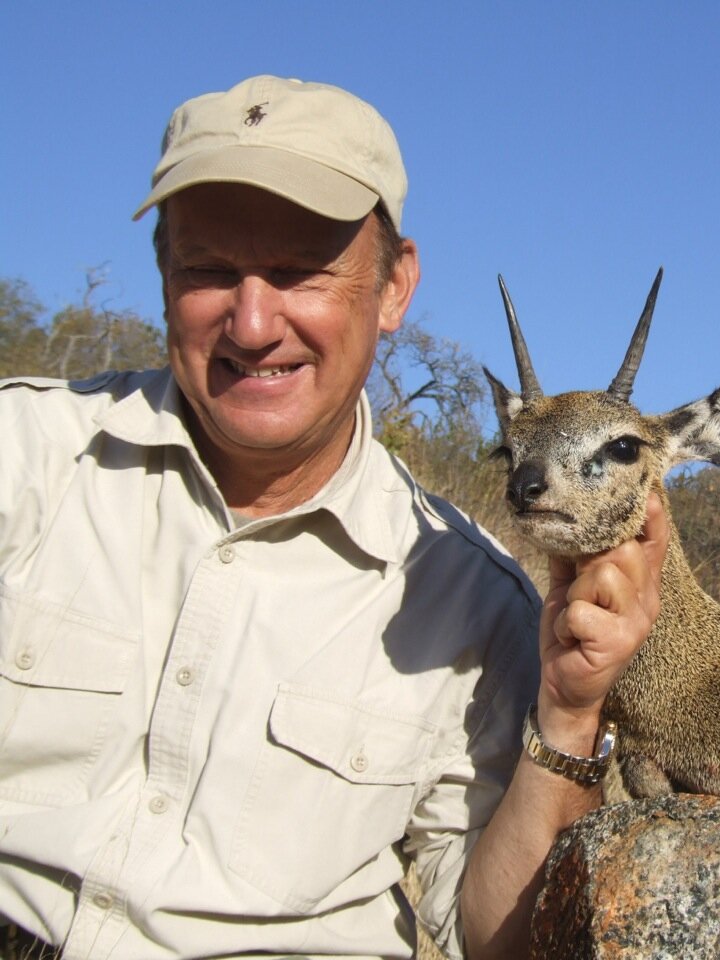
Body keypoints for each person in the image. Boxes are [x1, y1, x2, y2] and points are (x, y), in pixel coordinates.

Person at [0, 75, 667, 960]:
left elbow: (494, 939)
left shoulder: (476, 604)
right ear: (163, 278)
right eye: (206, 269)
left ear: (395, 288)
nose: (251, 320)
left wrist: (571, 714)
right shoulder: (24, 455)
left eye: (299, 272)